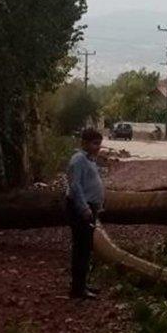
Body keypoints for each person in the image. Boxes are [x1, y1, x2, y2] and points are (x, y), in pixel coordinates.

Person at [66, 127, 105, 299]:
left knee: (86, 248)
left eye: (99, 144)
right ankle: (77, 289)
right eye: (95, 143)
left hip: (90, 207)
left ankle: (82, 284)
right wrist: (84, 208)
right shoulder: (78, 160)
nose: (98, 147)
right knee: (81, 248)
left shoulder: (89, 159)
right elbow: (75, 186)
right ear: (84, 143)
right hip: (81, 209)